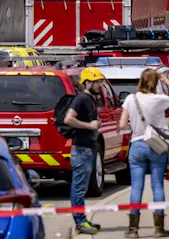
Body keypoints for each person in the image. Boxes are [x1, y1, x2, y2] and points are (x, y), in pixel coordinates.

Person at [119, 68, 169, 238]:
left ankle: (133, 229)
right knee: (157, 186)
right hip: (156, 145)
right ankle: (159, 229)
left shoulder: (130, 99)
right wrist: (167, 81)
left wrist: (134, 127)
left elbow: (122, 124)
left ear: (140, 81)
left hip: (137, 145)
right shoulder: (160, 99)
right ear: (155, 83)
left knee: (136, 186)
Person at [65, 67, 106, 235]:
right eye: (97, 82)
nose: (100, 85)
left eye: (100, 82)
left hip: (87, 148)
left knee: (81, 188)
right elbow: (69, 119)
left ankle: (82, 220)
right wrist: (89, 126)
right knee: (78, 188)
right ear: (88, 82)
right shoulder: (81, 99)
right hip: (81, 149)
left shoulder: (89, 99)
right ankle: (80, 222)